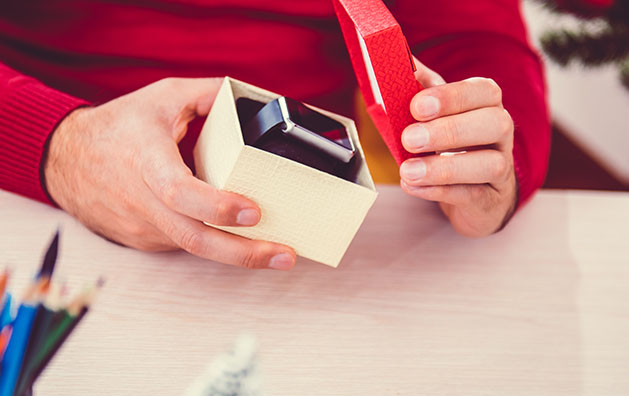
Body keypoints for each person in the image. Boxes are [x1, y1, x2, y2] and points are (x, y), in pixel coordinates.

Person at [0, 0, 550, 271]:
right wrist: (57, 145)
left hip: (299, 227)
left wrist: (482, 155)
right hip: (37, 202)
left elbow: (474, 32)